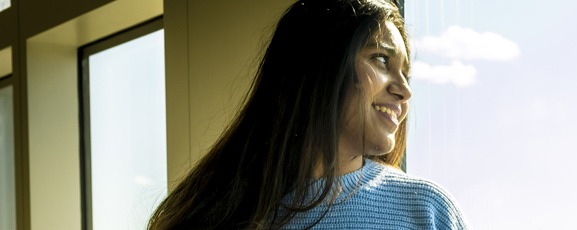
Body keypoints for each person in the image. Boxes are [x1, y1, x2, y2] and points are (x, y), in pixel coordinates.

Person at [147, 0, 467, 229]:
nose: (404, 90)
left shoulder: (427, 211)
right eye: (381, 59)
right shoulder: (215, 216)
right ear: (319, 67)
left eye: (405, 73)